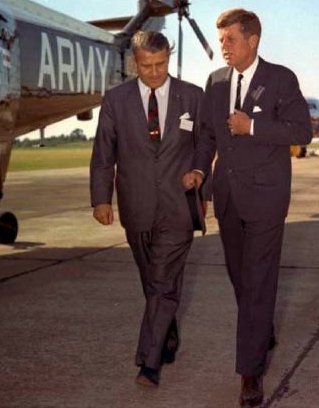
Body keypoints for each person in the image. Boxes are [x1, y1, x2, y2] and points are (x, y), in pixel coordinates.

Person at [181, 8, 312, 407]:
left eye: (230, 40)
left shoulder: (280, 79)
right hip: (228, 197)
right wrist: (199, 172)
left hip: (267, 198)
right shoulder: (216, 83)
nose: (224, 47)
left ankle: (250, 374)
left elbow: (302, 130)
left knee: (256, 281)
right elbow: (206, 135)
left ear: (252, 40)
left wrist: (252, 126)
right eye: (220, 41)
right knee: (241, 278)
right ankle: (260, 327)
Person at [90, 31, 204, 387]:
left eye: (161, 64)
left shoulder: (193, 96)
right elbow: (103, 153)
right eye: (146, 66)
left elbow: (205, 141)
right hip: (136, 206)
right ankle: (166, 332)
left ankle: (148, 362)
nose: (154, 73)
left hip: (178, 206)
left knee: (162, 281)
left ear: (169, 58)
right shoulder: (115, 100)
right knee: (154, 281)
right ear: (133, 63)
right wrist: (101, 199)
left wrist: (199, 170)